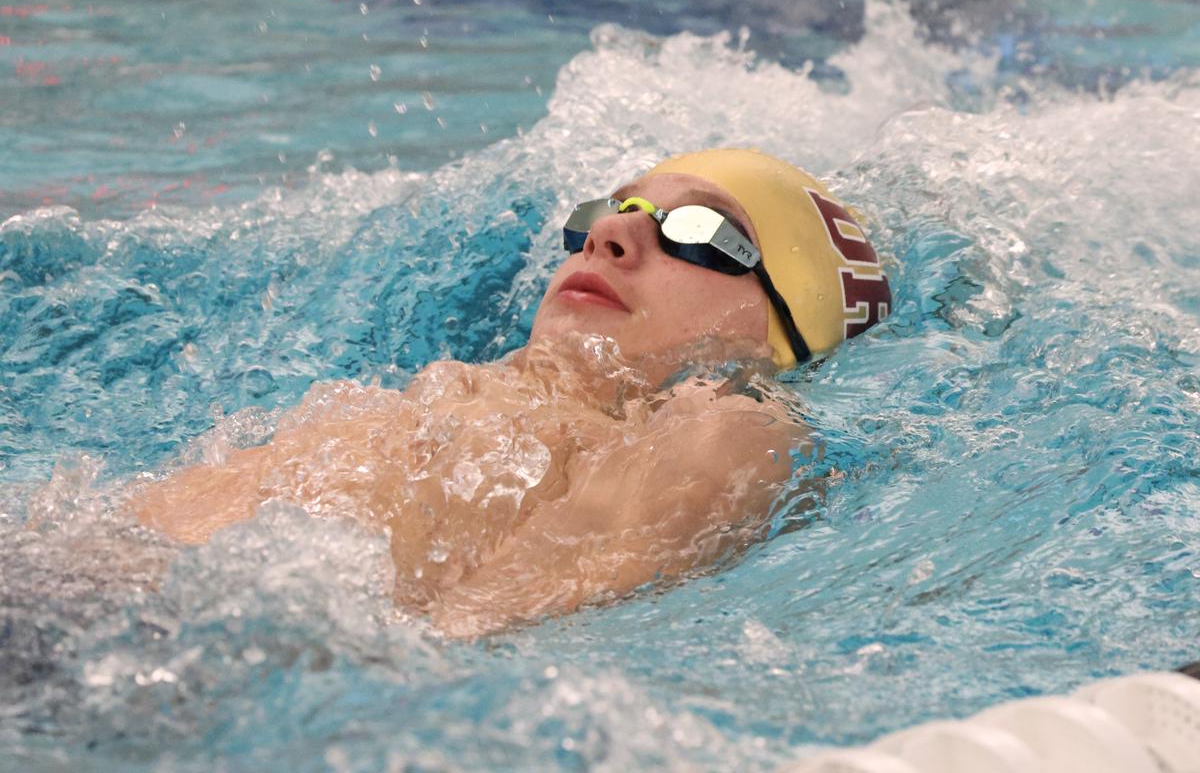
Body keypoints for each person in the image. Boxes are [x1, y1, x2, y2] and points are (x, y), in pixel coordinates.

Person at [130, 149, 892, 637]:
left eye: (697, 231)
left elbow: (465, 639)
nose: (611, 238)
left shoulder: (728, 430)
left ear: (783, 327)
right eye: (610, 214)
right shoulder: (449, 390)